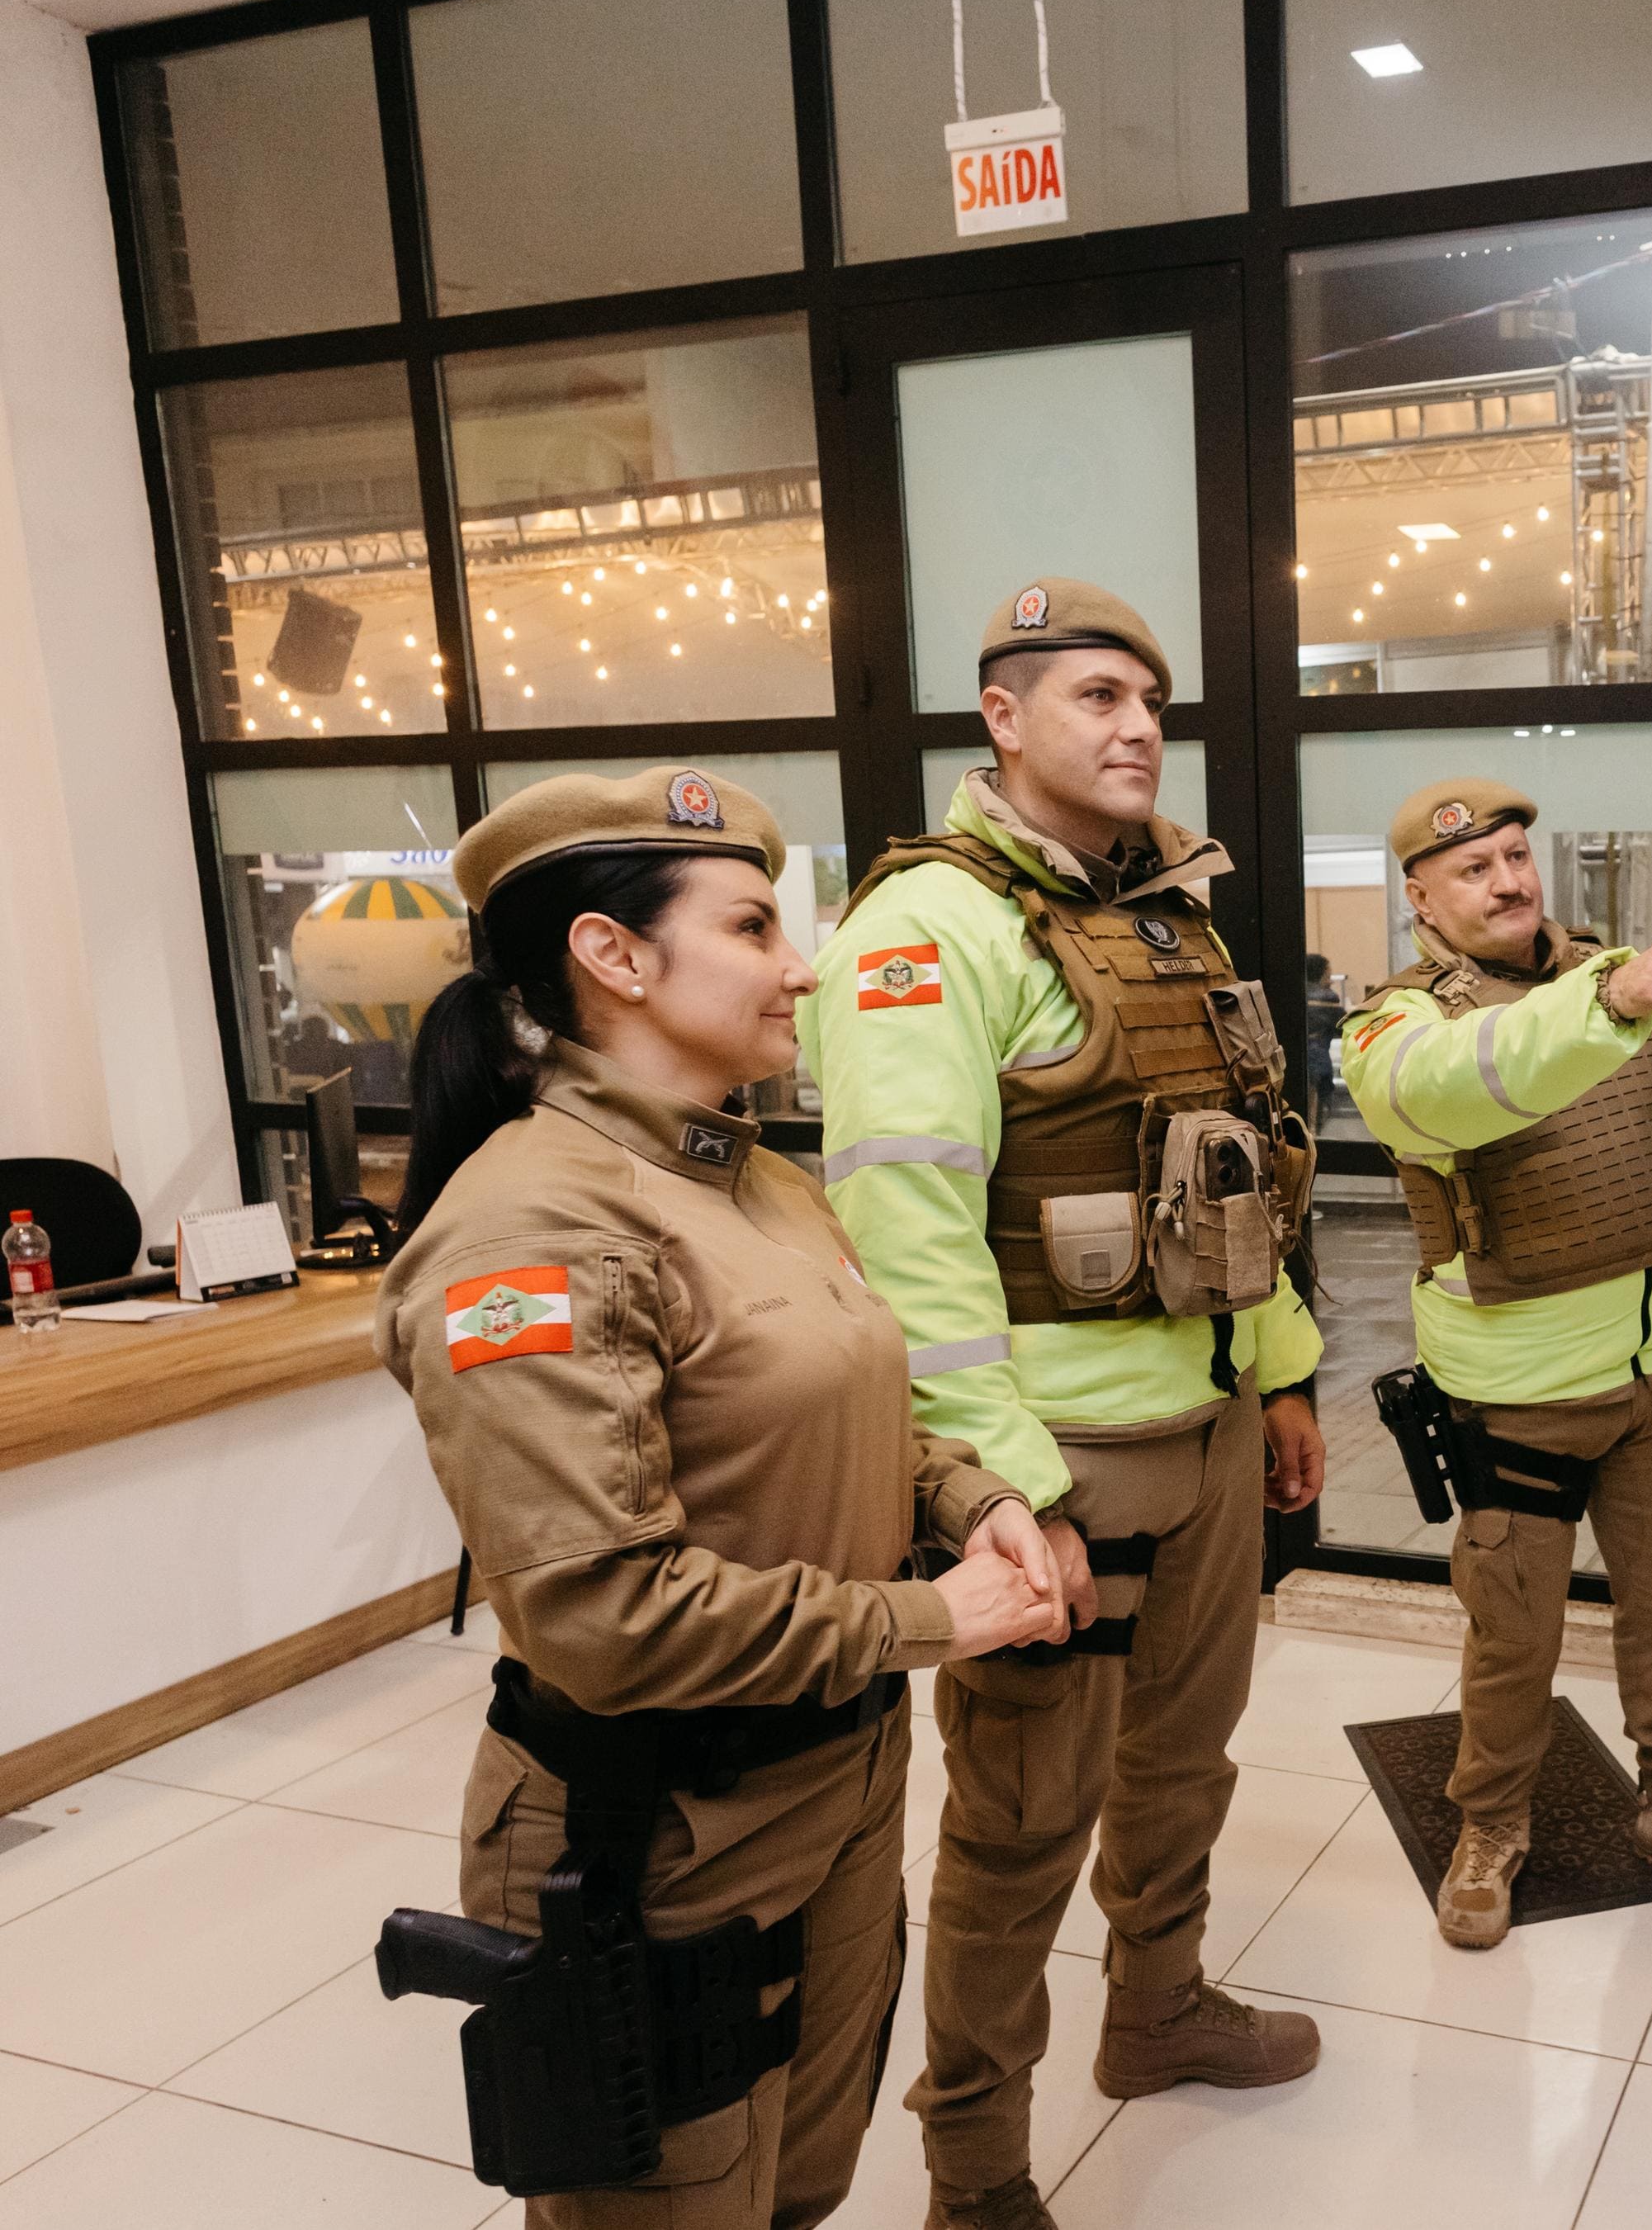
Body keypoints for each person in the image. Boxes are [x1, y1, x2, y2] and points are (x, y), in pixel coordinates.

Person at [379, 764, 1071, 2228]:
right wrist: (928, 1616)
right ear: (612, 956)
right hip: (657, 1832)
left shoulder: (759, 1181)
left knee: (797, 2183)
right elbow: (604, 1618)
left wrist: (964, 1500)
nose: (802, 968)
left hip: (835, 1779)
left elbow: (842, 1414)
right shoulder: (532, 1227)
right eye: (754, 928)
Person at [802, 579, 1328, 2230]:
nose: (1134, 727)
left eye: (1150, 703)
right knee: (1023, 1829)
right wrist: (1003, 1484)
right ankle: (977, 2170)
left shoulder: (1172, 916)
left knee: (1187, 1764)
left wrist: (1286, 1371)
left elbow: (1237, 1173)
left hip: (1214, 1422)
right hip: (1066, 1469)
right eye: (1094, 694)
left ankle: (1157, 2010)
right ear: (1003, 716)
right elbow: (905, 1230)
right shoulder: (925, 928)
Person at [1337, 776, 1652, 1948]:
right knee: (1515, 1636)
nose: (1508, 879)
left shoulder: (1609, 985)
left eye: (1515, 857)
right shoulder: (1394, 1026)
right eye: (1474, 868)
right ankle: (1490, 1823)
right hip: (1518, 1392)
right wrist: (1609, 994)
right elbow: (1464, 1084)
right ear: (1421, 899)